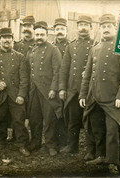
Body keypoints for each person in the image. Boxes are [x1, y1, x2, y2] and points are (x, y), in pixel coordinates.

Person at [79, 14, 120, 174]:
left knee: (112, 130)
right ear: (99, 29)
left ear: (115, 28)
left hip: (112, 98)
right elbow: (87, 75)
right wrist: (83, 95)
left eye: (109, 26)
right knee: (97, 128)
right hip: (94, 97)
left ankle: (112, 161)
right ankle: (101, 155)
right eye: (103, 27)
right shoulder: (94, 49)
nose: (106, 29)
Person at [0, 27, 30, 156]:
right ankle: (1, 143)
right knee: (0, 118)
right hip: (0, 94)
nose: (6, 40)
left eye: (9, 38)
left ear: (12, 40)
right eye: (4, 37)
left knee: (19, 119)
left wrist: (21, 95)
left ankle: (21, 144)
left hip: (15, 94)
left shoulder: (20, 57)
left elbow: (24, 78)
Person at [26, 21, 62, 156]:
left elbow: (57, 70)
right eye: (37, 34)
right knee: (34, 118)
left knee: (49, 119)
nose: (39, 37)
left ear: (47, 35)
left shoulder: (54, 50)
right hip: (34, 90)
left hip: (48, 90)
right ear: (34, 35)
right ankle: (35, 142)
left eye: (42, 34)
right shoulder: (32, 50)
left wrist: (53, 89)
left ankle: (51, 144)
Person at [59, 15, 94, 154]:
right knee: (73, 120)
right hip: (74, 90)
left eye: (86, 25)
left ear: (91, 28)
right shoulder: (71, 46)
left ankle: (91, 150)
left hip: (90, 91)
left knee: (90, 121)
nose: (83, 28)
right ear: (77, 27)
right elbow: (64, 69)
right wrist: (62, 87)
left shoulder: (95, 45)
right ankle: (72, 146)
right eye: (81, 25)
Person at [52, 17, 70, 149]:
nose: (60, 31)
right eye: (57, 29)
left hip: (67, 83)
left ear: (66, 31)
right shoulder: (50, 47)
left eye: (62, 29)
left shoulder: (70, 46)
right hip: (53, 83)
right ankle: (54, 140)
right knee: (54, 112)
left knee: (65, 112)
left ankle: (65, 141)